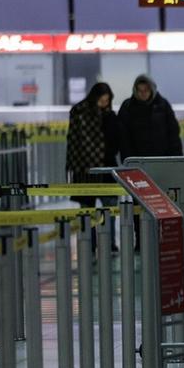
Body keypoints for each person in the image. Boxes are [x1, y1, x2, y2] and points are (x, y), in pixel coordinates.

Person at [66, 82, 123, 249]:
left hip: (104, 168)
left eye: (107, 100)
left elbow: (116, 140)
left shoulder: (110, 116)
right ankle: (89, 244)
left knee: (109, 208)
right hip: (86, 169)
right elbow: (74, 143)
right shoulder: (80, 113)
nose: (104, 104)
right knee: (88, 211)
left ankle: (109, 243)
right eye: (101, 100)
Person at [117, 75, 182, 158]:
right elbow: (123, 136)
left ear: (152, 90)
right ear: (135, 90)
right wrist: (127, 158)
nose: (143, 93)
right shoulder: (127, 106)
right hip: (136, 159)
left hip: (162, 158)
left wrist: (176, 158)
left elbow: (173, 133)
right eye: (140, 90)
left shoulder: (163, 105)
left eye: (146, 90)